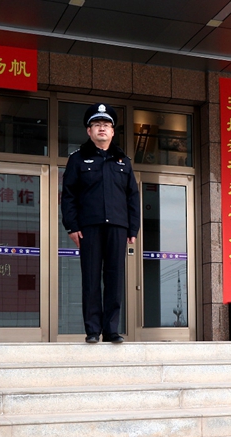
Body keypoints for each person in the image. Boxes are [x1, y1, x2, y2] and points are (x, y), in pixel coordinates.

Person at [61, 103, 140, 344]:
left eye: (106, 125)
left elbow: (132, 196)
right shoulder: (77, 159)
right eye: (97, 125)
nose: (102, 128)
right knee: (91, 278)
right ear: (89, 131)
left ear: (113, 131)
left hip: (118, 226)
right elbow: (68, 195)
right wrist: (72, 226)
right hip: (89, 228)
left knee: (115, 279)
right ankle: (93, 330)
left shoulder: (123, 161)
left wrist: (133, 228)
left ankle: (111, 330)